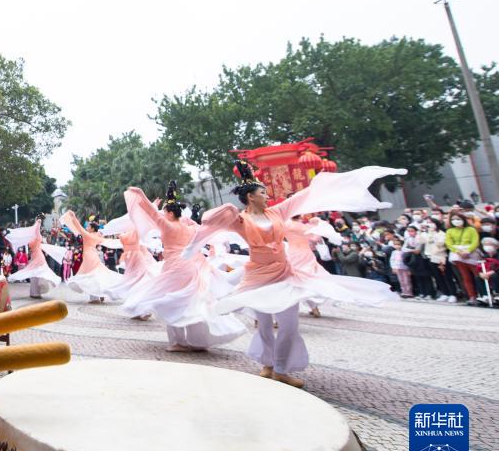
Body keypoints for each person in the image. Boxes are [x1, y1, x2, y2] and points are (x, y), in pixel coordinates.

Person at [198, 162, 403, 389]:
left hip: (284, 274)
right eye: (262, 192)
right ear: (250, 197)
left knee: (289, 325)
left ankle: (282, 368)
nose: (267, 196)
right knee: (264, 325)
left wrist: (328, 182)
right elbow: (208, 219)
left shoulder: (278, 212)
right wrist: (228, 207)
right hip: (257, 276)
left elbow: (306, 195)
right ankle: (267, 363)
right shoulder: (239, 220)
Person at [121, 183, 245, 350]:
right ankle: (197, 340)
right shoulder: (189, 228)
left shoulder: (168, 225)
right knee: (190, 302)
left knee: (172, 303)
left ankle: (177, 342)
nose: (162, 215)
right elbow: (201, 229)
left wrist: (141, 195)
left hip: (174, 267)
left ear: (170, 213)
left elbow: (151, 214)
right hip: (191, 267)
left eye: (164, 212)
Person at [61, 211, 121, 301]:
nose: (87, 227)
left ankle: (95, 297)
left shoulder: (88, 235)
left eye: (88, 226)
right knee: (96, 275)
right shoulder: (97, 235)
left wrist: (73, 217)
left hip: (89, 256)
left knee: (92, 276)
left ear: (92, 229)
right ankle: (100, 294)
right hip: (93, 255)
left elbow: (79, 228)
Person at [6, 216, 63, 298]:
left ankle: (35, 293)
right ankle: (34, 293)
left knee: (37, 274)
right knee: (35, 275)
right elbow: (36, 231)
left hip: (37, 256)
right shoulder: (32, 237)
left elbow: (36, 231)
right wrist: (37, 222)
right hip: (35, 256)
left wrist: (38, 223)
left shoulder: (34, 238)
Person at [446, 211, 481, 304]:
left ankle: (483, 295)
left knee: (478, 275)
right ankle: (472, 296)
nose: (456, 221)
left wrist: (468, 250)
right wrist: (458, 252)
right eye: (453, 219)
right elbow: (449, 244)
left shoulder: (471, 229)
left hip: (472, 254)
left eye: (458, 219)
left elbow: (475, 241)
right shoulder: (450, 231)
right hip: (458, 256)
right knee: (466, 277)